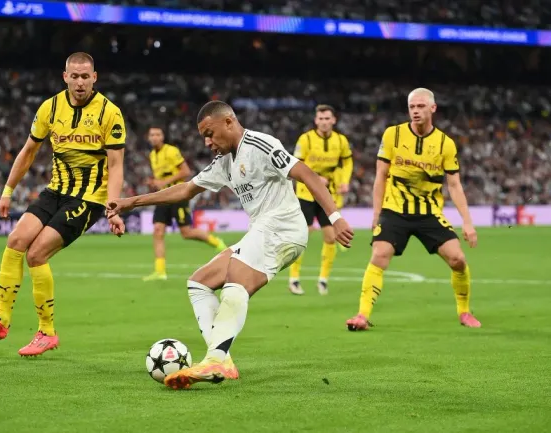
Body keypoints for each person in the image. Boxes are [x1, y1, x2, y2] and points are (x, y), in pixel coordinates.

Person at [106, 101, 354, 389]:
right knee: (199, 283)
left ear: (228, 122)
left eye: (210, 134)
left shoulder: (261, 145)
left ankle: (216, 358)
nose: (208, 142)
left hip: (283, 227)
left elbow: (307, 174)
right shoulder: (224, 163)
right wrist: (129, 202)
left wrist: (336, 218)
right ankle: (223, 360)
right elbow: (186, 190)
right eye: (203, 137)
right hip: (262, 231)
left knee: (236, 276)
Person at [0, 52, 127, 356]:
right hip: (55, 190)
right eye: (74, 76)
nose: (80, 82)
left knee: (36, 254)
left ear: (95, 77)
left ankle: (47, 332)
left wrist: (112, 207)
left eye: (85, 76)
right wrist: (7, 190)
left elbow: (116, 165)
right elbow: (28, 152)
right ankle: (0, 319)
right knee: (16, 240)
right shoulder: (50, 108)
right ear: (64, 76)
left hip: (88, 198)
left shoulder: (110, 113)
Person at [346, 88, 481, 331]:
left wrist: (467, 222)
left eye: (420, 106)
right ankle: (362, 315)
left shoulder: (445, 144)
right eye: (412, 107)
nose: (415, 111)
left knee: (458, 259)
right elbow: (381, 176)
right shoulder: (392, 135)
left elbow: (454, 185)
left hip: (429, 213)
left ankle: (464, 312)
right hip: (394, 209)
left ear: (433, 108)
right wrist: (376, 214)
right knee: (379, 254)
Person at [143, 126, 227, 281]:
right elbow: (162, 178)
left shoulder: (171, 151)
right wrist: (155, 183)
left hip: (177, 195)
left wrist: (164, 181)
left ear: (162, 137)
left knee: (187, 233)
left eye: (157, 134)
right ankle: (160, 271)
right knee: (158, 230)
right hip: (163, 196)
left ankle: (218, 243)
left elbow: (185, 171)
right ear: (148, 138)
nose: (154, 137)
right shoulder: (152, 155)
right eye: (152, 134)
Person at [288, 105, 353, 296]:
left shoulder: (341, 140)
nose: (324, 122)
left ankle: (323, 280)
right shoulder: (306, 139)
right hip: (306, 193)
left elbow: (347, 161)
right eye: (321, 119)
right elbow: (296, 164)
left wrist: (345, 181)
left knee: (331, 237)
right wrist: (315, 177)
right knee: (303, 235)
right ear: (316, 121)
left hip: (328, 193)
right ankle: (294, 279)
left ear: (333, 120)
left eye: (327, 118)